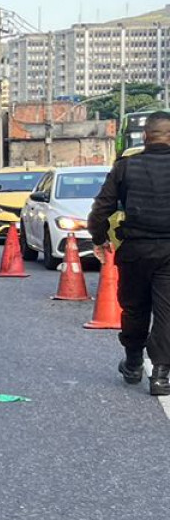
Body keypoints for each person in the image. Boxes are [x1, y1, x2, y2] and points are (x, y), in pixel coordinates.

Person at [89, 111, 170, 394]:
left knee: (134, 308)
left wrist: (99, 238)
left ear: (145, 137)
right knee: (166, 313)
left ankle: (134, 362)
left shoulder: (125, 167)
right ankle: (160, 375)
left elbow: (102, 208)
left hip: (135, 249)